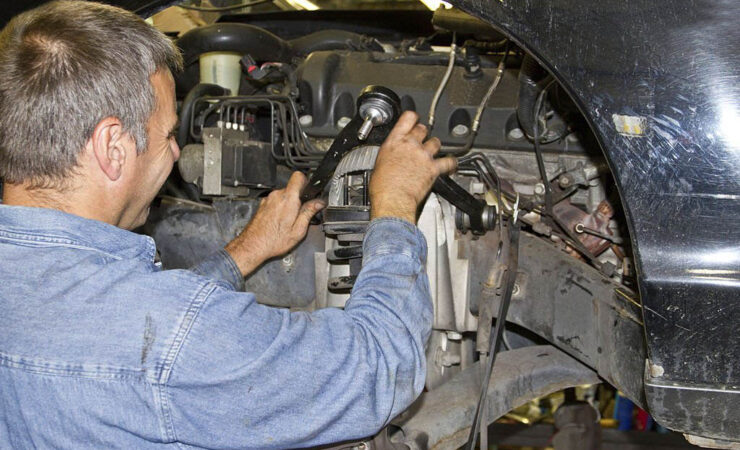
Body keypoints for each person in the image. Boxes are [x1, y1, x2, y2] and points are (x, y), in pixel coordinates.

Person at [0, 1, 456, 448]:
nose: (177, 154)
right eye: (166, 137)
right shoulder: (175, 338)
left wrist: (245, 251)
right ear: (112, 147)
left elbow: (115, 326)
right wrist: (395, 202)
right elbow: (377, 370)